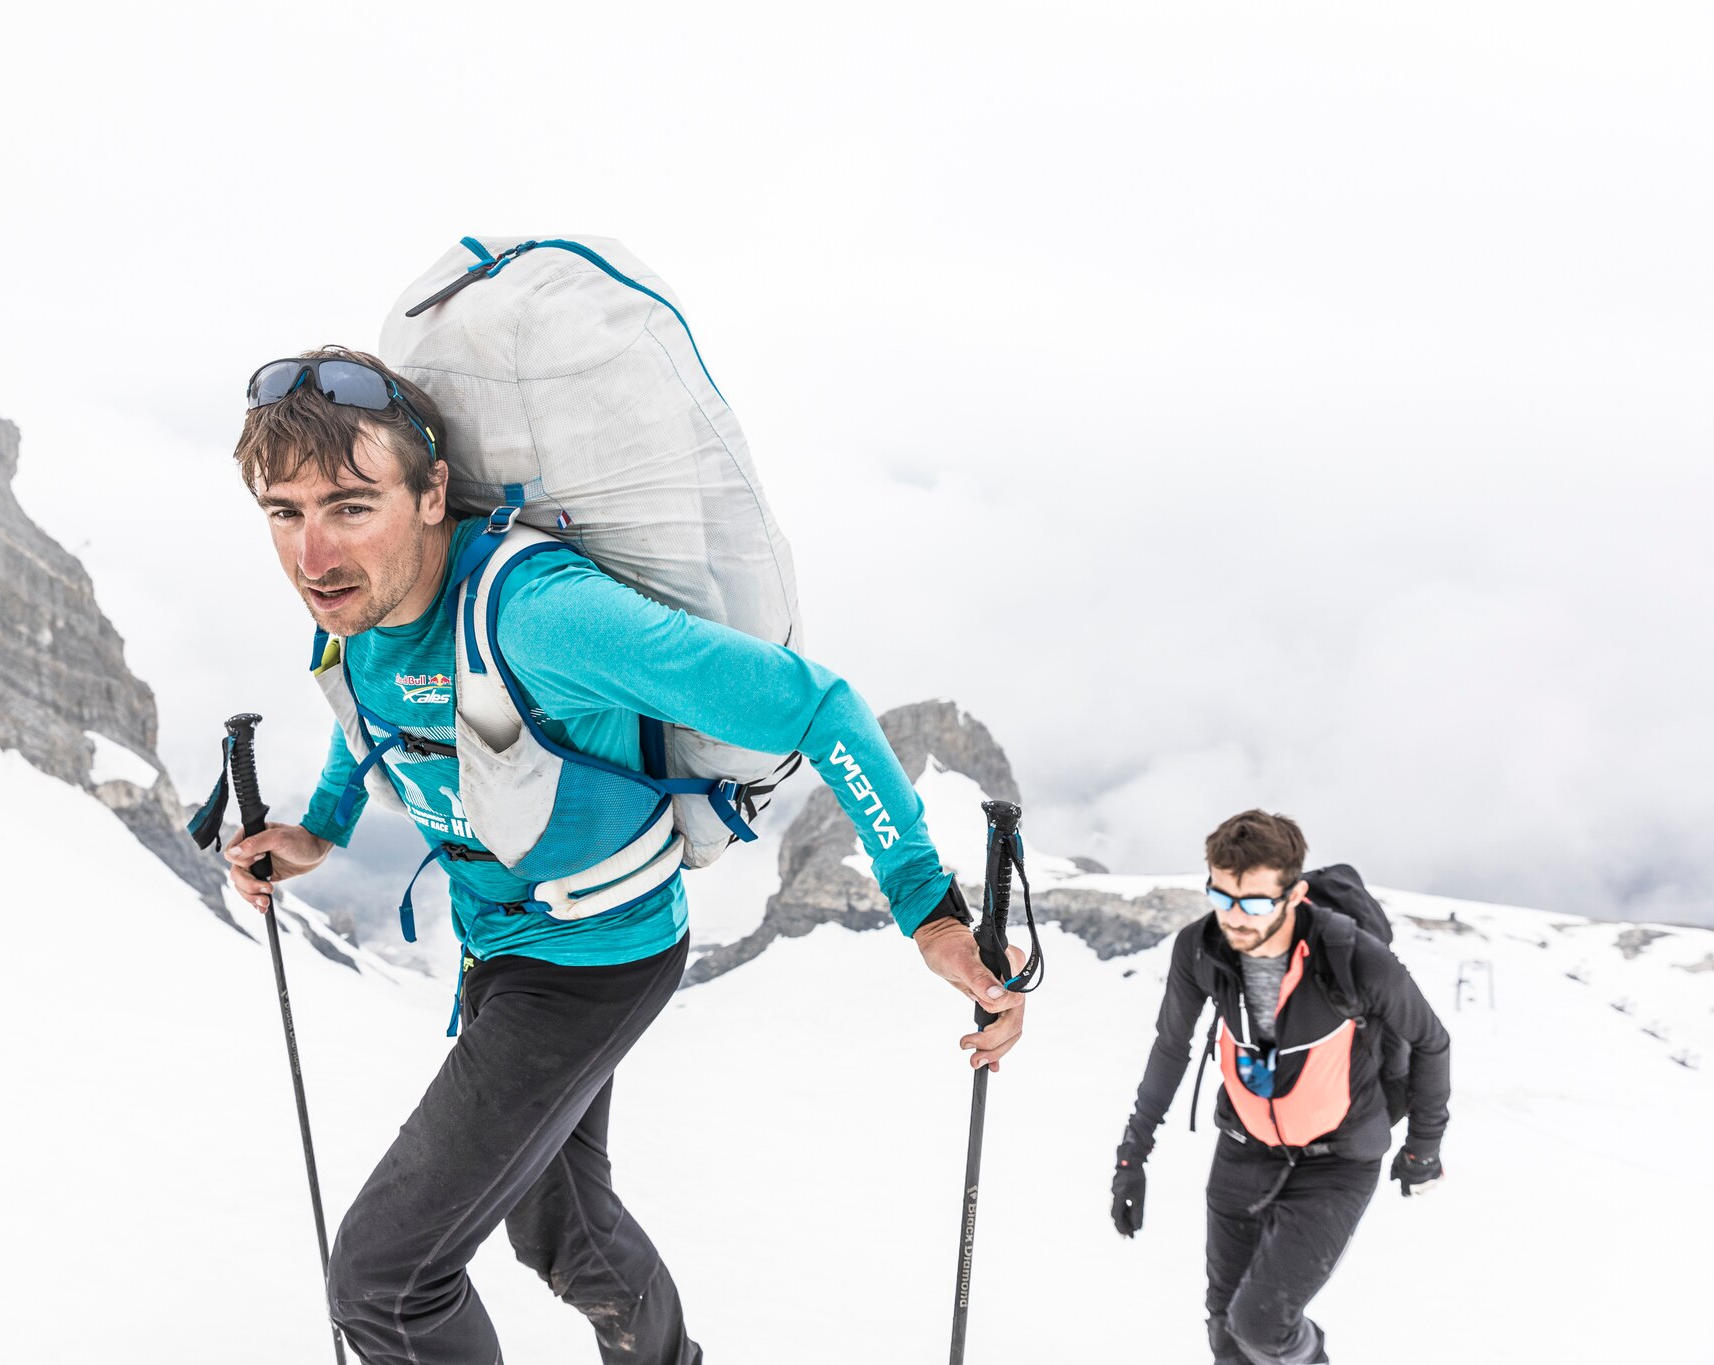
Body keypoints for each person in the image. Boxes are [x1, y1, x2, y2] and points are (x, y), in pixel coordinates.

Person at [216, 348, 1027, 1365]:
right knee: (557, 1226)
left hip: (589, 966)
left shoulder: (545, 618)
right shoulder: (362, 613)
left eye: (348, 506)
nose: (312, 555)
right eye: (283, 514)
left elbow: (816, 706)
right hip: (503, 950)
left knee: (385, 1283)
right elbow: (367, 706)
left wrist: (930, 908)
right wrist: (320, 831)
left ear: (430, 495)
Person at [1110, 809, 1450, 1365]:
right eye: (1222, 898)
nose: (1235, 920)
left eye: (1255, 903)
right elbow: (1171, 1048)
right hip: (1244, 1148)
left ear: (1293, 896)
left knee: (1262, 1325)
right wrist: (1132, 1155)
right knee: (1224, 1331)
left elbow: (1433, 1042)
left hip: (1337, 1158)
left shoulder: (1351, 956)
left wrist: (1425, 1148)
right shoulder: (1200, 949)